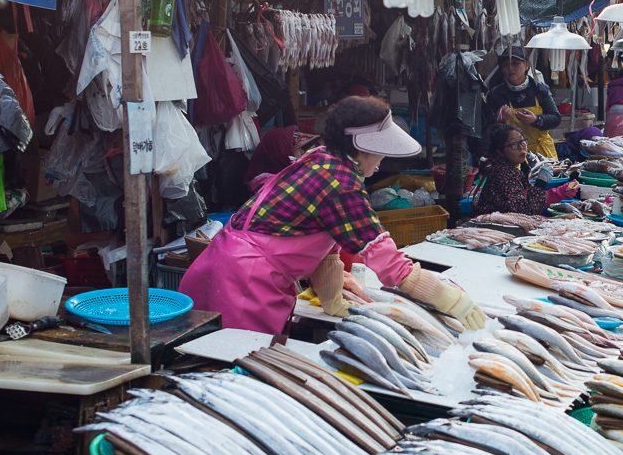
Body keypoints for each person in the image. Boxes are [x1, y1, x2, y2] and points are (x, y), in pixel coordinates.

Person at [181, 96, 486, 334]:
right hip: (244, 283)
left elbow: (324, 245)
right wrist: (448, 299)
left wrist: (331, 299)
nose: (381, 160)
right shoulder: (341, 182)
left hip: (219, 266)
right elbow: (391, 266)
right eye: (380, 150)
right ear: (362, 147)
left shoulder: (322, 160)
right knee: (236, 371)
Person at [476, 124, 578, 215]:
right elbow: (526, 211)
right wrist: (541, 183)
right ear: (500, 152)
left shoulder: (511, 171)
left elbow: (529, 197)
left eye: (522, 141)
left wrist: (562, 191)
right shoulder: (503, 175)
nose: (521, 147)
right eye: (514, 144)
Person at [483, 45, 561, 159]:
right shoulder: (496, 95)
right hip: (511, 156)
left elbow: (556, 118)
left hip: (541, 154)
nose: (511, 68)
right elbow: (487, 131)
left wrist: (536, 120)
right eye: (506, 64)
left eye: (516, 63)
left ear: (527, 65)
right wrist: (499, 121)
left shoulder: (540, 90)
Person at [243, 126, 315, 192]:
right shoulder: (266, 182)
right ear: (281, 152)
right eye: (300, 149)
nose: (303, 152)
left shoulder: (288, 173)